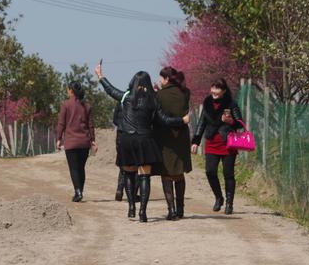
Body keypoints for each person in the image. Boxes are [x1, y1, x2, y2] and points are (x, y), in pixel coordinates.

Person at [96, 63, 189, 222]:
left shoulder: (125, 96)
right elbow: (164, 120)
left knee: (128, 173)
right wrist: (181, 120)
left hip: (126, 139)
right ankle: (142, 213)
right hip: (144, 140)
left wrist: (100, 76)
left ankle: (131, 206)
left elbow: (110, 90)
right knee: (144, 176)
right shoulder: (153, 100)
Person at [191, 79, 244, 214]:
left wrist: (231, 121)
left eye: (218, 88)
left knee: (228, 174)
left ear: (224, 91)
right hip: (211, 142)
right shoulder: (207, 103)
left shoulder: (231, 104)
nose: (214, 91)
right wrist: (196, 141)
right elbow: (202, 122)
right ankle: (218, 197)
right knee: (210, 172)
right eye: (213, 87)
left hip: (228, 143)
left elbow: (240, 123)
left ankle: (229, 204)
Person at [153, 67, 192, 220]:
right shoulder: (186, 92)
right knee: (179, 173)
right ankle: (181, 209)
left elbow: (159, 114)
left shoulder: (159, 95)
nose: (160, 81)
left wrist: (157, 92)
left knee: (167, 174)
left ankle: (171, 209)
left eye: (161, 78)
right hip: (181, 136)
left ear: (167, 79)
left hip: (165, 137)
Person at [56, 81, 97, 202]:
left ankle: (78, 192)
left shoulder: (66, 105)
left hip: (71, 142)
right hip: (84, 142)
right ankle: (80, 191)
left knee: (74, 168)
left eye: (68, 89)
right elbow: (91, 125)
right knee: (81, 168)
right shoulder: (87, 106)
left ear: (71, 91)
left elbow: (61, 123)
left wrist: (58, 139)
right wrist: (93, 140)